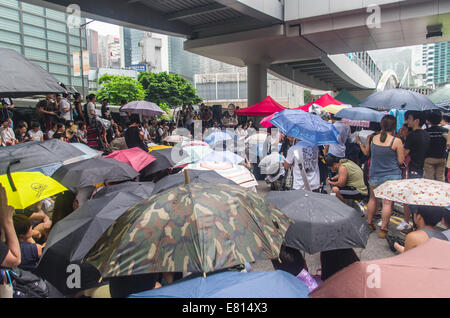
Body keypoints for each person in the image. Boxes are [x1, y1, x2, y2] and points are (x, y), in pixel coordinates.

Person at [367, 115, 405, 238]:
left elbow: (369, 153)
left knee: (373, 199)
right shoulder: (396, 141)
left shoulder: (372, 138)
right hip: (391, 175)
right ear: (394, 126)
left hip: (374, 174)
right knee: (387, 203)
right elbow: (401, 160)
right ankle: (383, 229)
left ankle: (369, 223)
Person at [424, 111, 448, 182]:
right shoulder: (445, 131)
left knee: (429, 180)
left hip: (429, 158)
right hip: (441, 157)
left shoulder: (425, 131)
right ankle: (442, 192)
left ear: (428, 120)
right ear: (440, 119)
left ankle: (431, 193)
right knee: (440, 178)